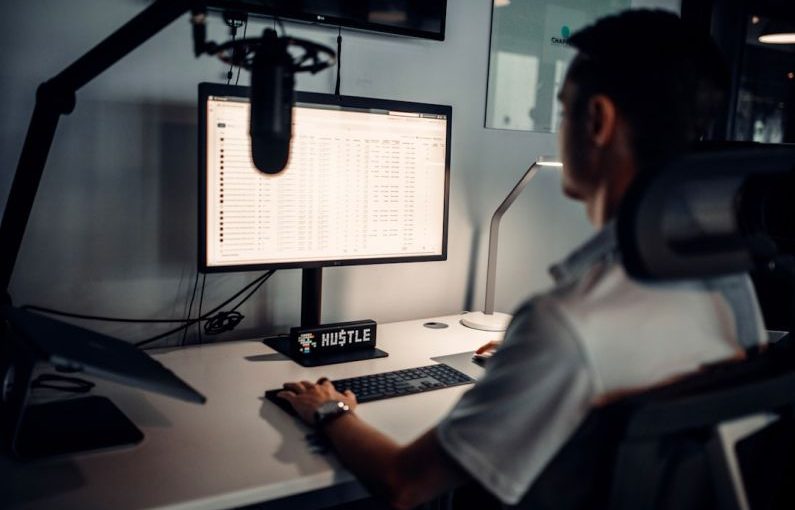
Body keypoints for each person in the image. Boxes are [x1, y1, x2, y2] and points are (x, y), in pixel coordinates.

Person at [276, 9, 766, 509]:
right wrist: (527, 361)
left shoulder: (566, 325)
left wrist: (330, 409)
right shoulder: (731, 288)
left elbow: (405, 485)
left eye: (563, 110)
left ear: (598, 121)